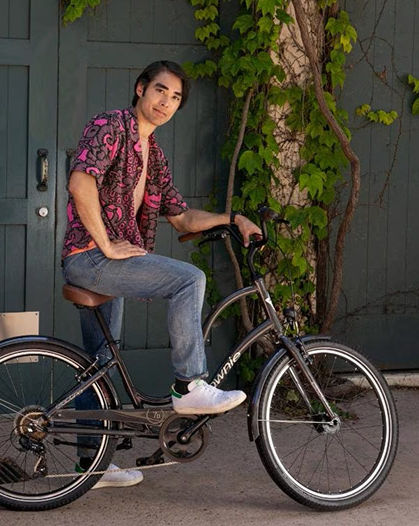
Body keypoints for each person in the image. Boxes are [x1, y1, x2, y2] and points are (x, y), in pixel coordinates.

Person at [61, 60, 262, 489]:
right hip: (92, 258)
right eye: (160, 91)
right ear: (140, 89)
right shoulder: (111, 125)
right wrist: (107, 244)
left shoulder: (155, 157)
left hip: (107, 262)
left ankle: (89, 466)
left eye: (175, 98)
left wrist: (233, 218)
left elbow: (183, 218)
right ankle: (188, 385)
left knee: (97, 366)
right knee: (189, 279)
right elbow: (81, 183)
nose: (165, 103)